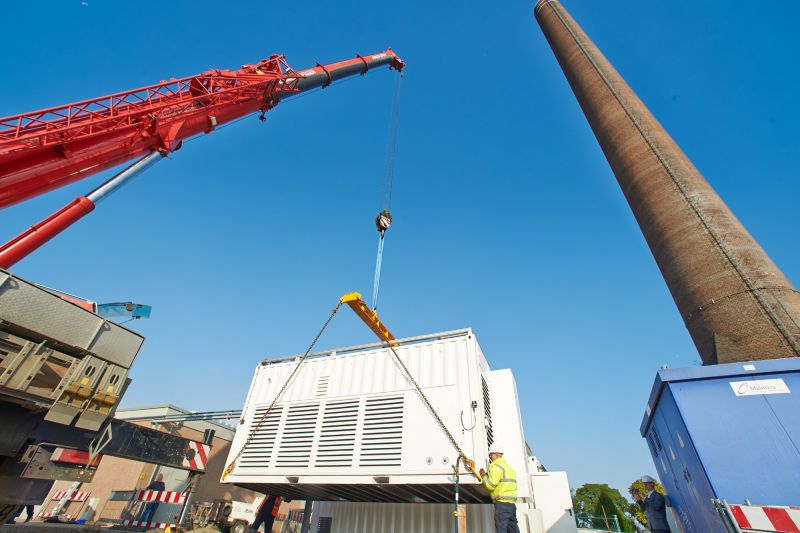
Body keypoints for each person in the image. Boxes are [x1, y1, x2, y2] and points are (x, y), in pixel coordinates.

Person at [478, 444, 520, 533]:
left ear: (496, 454)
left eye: (491, 454)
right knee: (513, 529)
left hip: (502, 504)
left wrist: (484, 476)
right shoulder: (509, 468)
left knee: (501, 530)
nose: (490, 457)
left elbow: (491, 485)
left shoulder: (496, 467)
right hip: (511, 505)